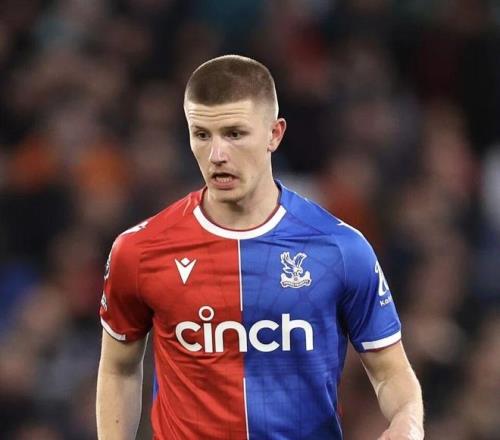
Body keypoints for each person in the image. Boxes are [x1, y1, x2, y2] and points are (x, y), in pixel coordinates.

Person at [96, 54, 424, 440]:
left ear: (274, 134)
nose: (217, 155)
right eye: (202, 134)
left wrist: (407, 421)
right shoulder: (140, 250)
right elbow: (118, 368)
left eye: (234, 134)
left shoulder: (339, 248)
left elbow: (390, 372)